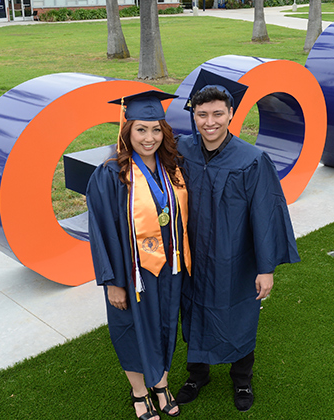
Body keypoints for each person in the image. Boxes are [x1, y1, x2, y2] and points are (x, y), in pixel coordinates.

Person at [174, 69, 300, 412]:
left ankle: (242, 379)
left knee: (239, 313)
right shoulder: (181, 150)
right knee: (194, 310)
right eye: (202, 114)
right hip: (192, 255)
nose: (209, 122)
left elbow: (266, 214)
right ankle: (196, 374)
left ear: (231, 114)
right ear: (193, 115)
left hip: (235, 256)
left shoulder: (252, 160)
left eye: (217, 113)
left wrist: (265, 267)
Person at [87, 90, 190, 420]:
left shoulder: (172, 168)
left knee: (164, 324)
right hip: (131, 272)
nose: (149, 138)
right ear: (127, 130)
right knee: (131, 327)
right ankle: (139, 391)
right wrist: (112, 282)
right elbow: (101, 231)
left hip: (168, 267)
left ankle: (160, 383)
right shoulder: (110, 174)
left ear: (165, 131)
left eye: (156, 129)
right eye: (141, 129)